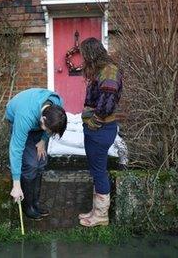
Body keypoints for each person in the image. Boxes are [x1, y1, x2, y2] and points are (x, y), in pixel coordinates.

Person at [78, 37, 123, 227]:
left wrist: (93, 123)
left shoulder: (109, 71)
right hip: (96, 129)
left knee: (99, 172)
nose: (82, 59)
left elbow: (107, 104)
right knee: (97, 170)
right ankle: (96, 211)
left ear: (91, 54)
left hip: (101, 129)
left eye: (84, 55)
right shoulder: (102, 70)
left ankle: (101, 216)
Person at [5, 88, 67, 220]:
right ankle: (28, 206)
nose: (50, 133)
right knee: (31, 165)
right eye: (49, 130)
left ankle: (35, 203)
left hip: (38, 123)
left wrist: (44, 140)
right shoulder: (25, 116)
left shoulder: (57, 106)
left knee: (41, 161)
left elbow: (50, 129)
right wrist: (16, 185)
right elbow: (16, 149)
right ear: (43, 119)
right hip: (19, 119)